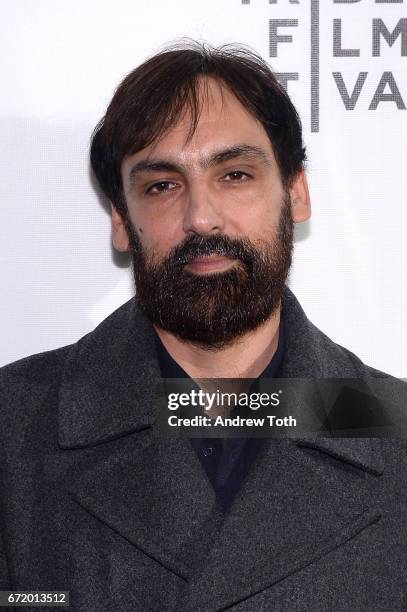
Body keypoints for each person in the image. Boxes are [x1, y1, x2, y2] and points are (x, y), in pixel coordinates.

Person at [0, 42, 406, 611]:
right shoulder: (13, 426)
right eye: (162, 185)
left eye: (235, 174)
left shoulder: (395, 430)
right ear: (121, 218)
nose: (200, 217)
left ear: (296, 192)